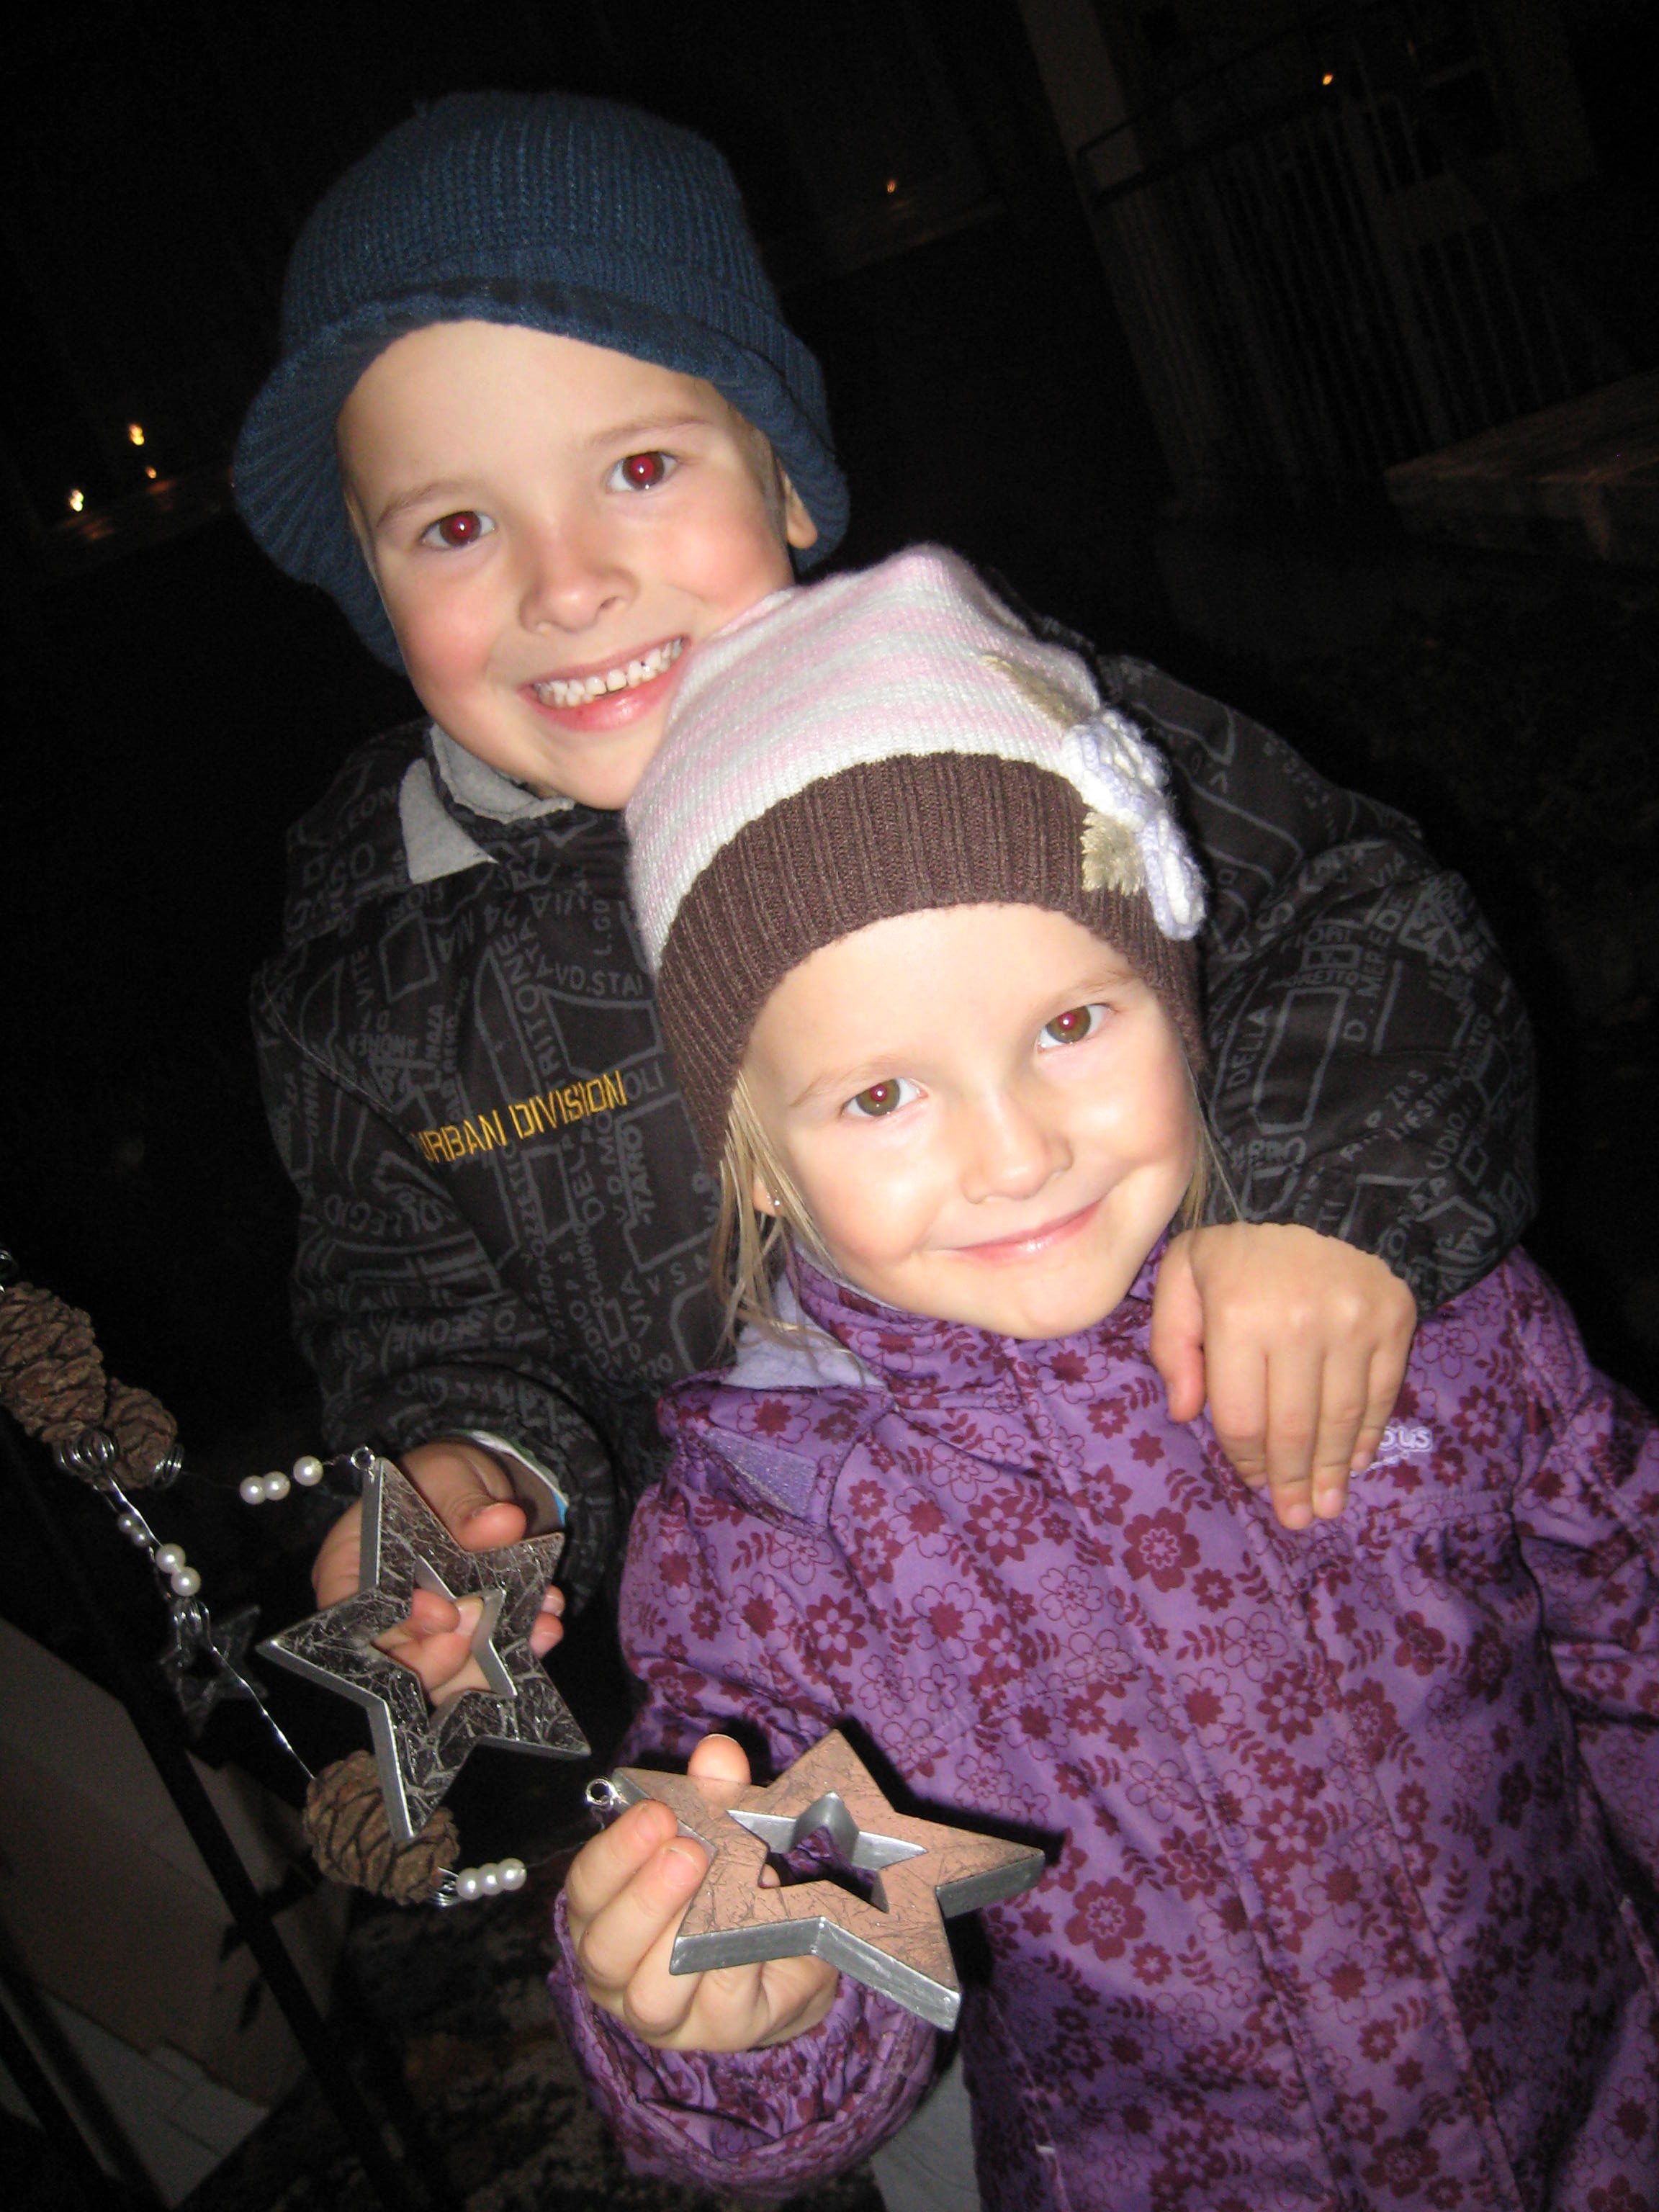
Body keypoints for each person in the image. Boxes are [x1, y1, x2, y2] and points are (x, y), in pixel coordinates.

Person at [233, 89, 1534, 1703]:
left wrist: (1315, 1198)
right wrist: (471, 1479)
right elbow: (429, 1329)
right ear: (374, 586)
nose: (566, 585)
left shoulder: (1002, 722)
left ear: (784, 477)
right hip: (880, 1707)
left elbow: (1363, 913)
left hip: (1270, 1552)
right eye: (454, 526)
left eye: (640, 465)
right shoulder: (377, 994)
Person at [551, 546, 1659, 2210]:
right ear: (756, 1164)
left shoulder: (1423, 1315)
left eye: (1073, 1026)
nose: (1017, 1153)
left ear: (1184, 997)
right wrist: (732, 2021)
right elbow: (789, 1943)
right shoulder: (778, 1525)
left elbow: (1636, 1629)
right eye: (880, 1097)